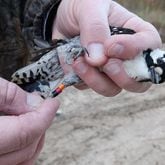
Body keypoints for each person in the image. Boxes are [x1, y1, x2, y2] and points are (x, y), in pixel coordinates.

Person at [0, 0, 162, 164]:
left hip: (34, 77)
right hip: (56, 59)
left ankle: (47, 92)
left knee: (42, 88)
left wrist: (56, 12)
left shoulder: (137, 60)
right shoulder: (129, 40)